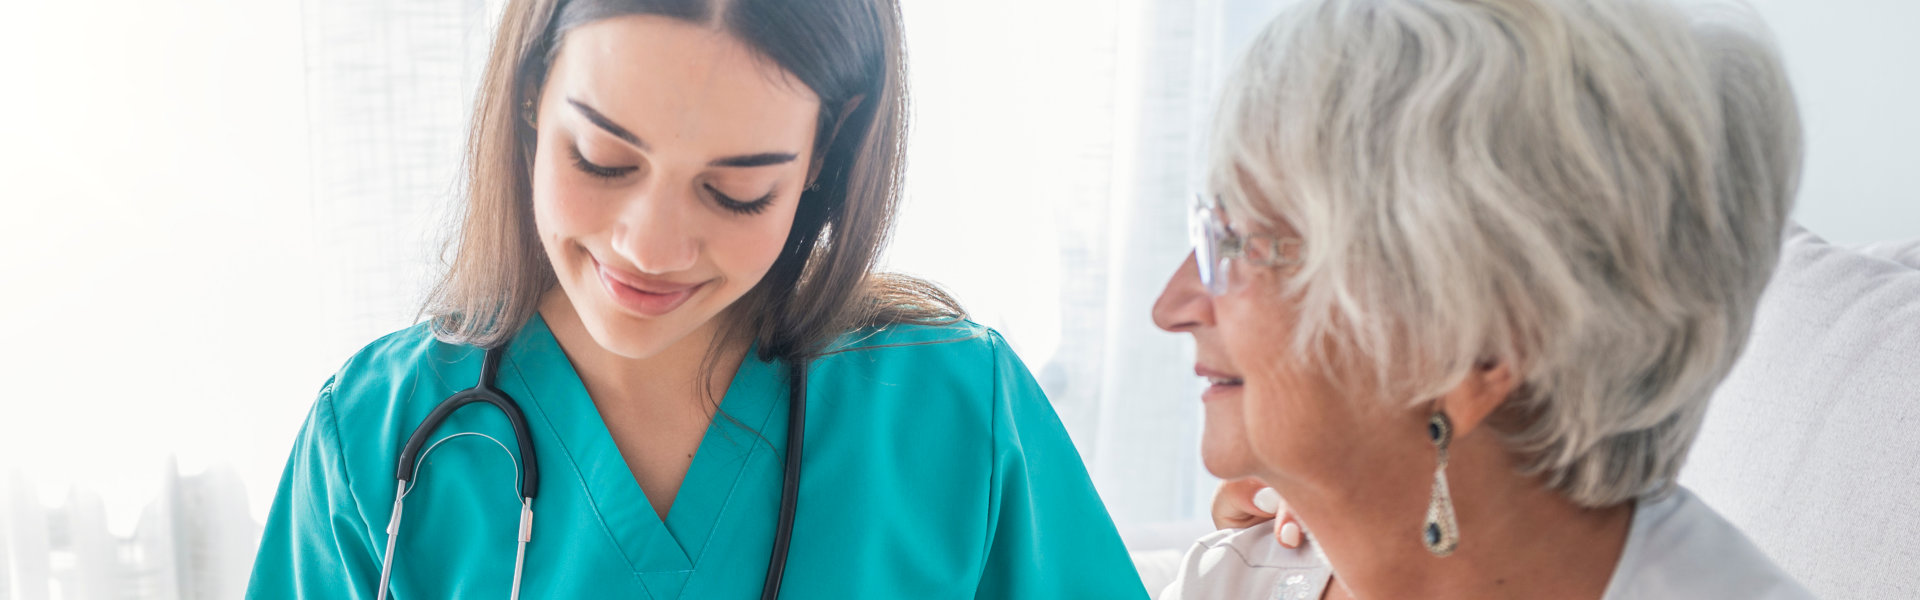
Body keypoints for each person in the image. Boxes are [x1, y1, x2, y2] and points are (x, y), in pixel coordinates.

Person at [245, 0, 1144, 597]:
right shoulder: (372, 437)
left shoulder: (954, 416)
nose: (648, 247)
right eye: (602, 161)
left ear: (826, 154)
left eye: (735, 190)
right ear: (529, 96)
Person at [1153, 0, 1813, 598]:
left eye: (1239, 243)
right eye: (1210, 225)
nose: (1172, 306)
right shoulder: (1240, 577)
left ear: (1474, 349)